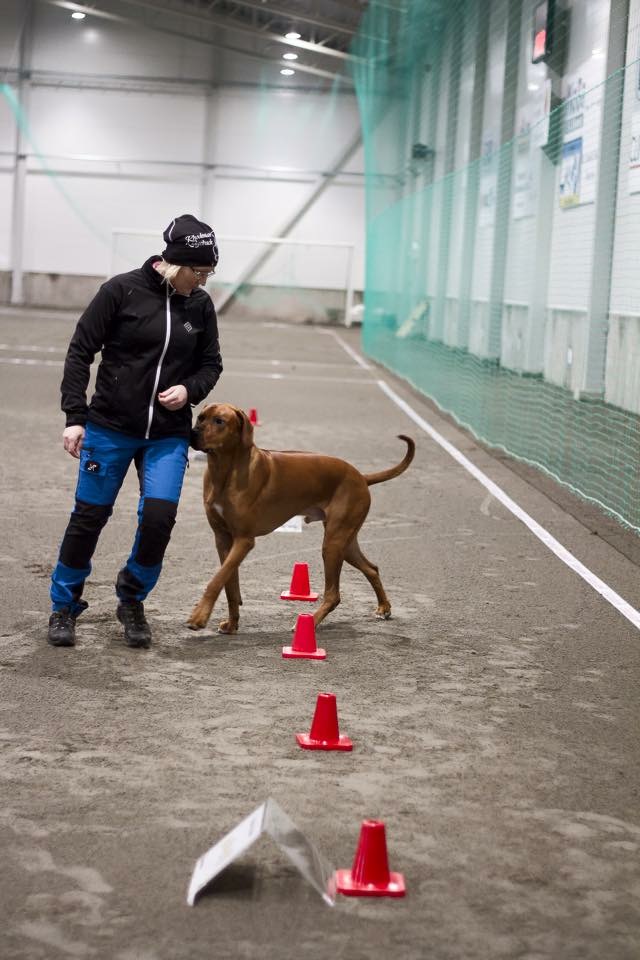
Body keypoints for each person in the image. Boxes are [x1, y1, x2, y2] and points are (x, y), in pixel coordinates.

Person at [47, 214, 223, 649]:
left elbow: (211, 363)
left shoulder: (199, 306)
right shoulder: (119, 291)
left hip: (167, 435)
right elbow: (79, 352)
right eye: (198, 273)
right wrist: (75, 416)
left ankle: (132, 598)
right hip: (109, 427)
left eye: (208, 274)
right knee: (89, 517)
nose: (203, 282)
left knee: (160, 518)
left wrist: (190, 389)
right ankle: (64, 606)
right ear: (175, 263)